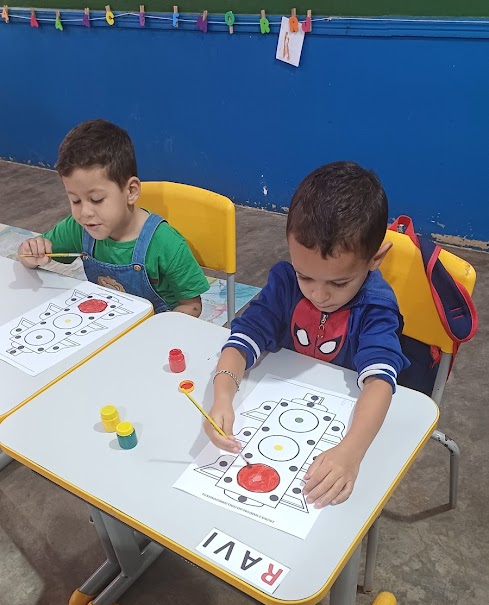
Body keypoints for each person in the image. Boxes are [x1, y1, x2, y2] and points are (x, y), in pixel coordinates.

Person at [204, 161, 410, 508]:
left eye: (339, 282)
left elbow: (380, 381)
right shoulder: (285, 284)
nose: (318, 294)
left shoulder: (375, 307)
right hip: (283, 410)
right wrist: (222, 396)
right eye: (306, 276)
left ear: (375, 259)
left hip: (343, 424)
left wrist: (351, 452)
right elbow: (243, 339)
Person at [17, 119, 208, 316]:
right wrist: (30, 253)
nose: (85, 212)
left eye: (96, 199)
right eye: (75, 200)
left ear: (131, 191)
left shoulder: (166, 244)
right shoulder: (79, 228)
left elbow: (192, 305)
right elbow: (28, 256)